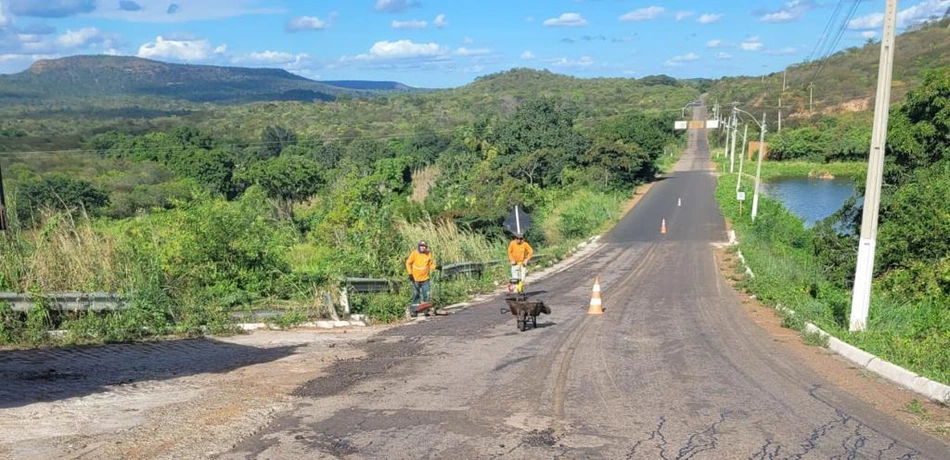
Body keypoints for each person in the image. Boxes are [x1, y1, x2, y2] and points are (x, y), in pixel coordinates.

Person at [405, 240, 436, 317]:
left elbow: (430, 265)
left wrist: (436, 267)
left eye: (424, 246)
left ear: (426, 247)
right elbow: (408, 263)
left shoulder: (428, 254)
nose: (422, 248)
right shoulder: (414, 253)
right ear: (419, 246)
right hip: (415, 279)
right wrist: (410, 274)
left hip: (425, 278)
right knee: (416, 294)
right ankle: (414, 311)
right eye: (421, 246)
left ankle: (426, 310)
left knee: (427, 294)